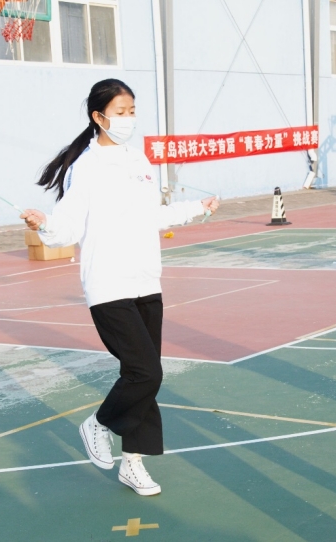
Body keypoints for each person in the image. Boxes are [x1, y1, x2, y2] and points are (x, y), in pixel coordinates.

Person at [20, 79, 219, 497]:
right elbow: (68, 226)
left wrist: (195, 209)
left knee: (141, 377)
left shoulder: (139, 160)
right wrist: (45, 225)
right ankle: (98, 424)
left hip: (146, 279)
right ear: (99, 117)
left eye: (132, 111)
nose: (129, 119)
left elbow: (153, 216)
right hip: (108, 284)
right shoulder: (86, 167)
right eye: (121, 112)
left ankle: (133, 464)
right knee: (147, 372)